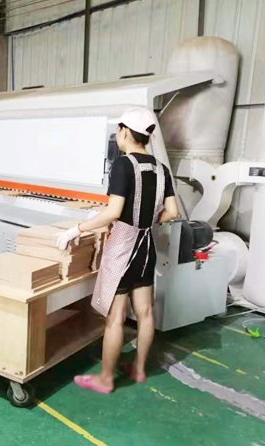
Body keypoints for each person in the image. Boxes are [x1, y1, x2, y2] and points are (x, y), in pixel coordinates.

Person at [56, 107, 179, 394]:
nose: (117, 134)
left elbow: (113, 212)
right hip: (146, 246)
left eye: (118, 130)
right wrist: (147, 221)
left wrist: (76, 229)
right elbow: (172, 211)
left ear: (125, 132)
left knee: (115, 317)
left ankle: (106, 379)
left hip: (123, 247)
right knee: (145, 313)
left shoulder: (124, 165)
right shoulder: (161, 169)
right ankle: (138, 369)